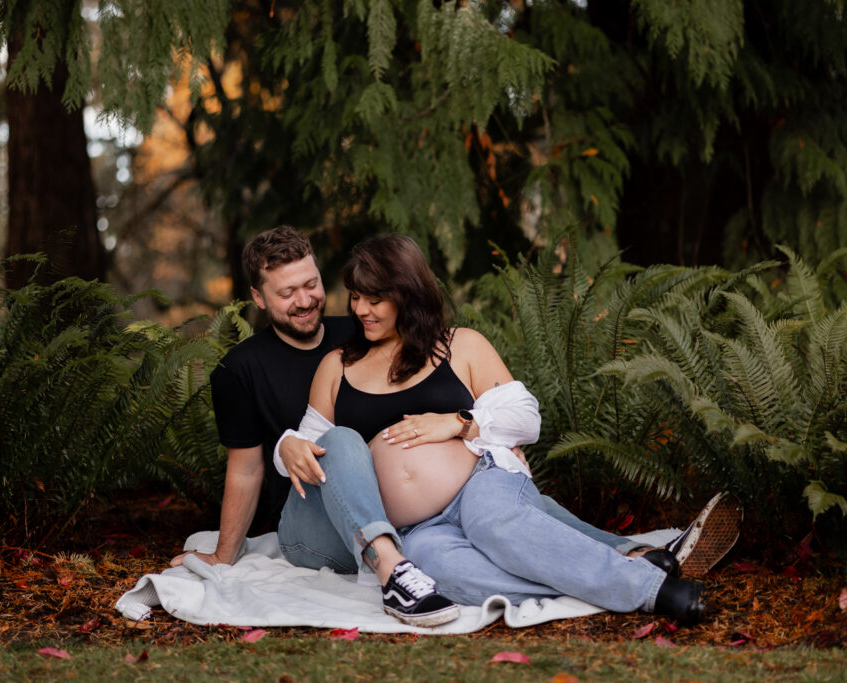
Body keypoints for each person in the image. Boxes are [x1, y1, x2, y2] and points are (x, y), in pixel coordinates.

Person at [280, 234, 719, 623]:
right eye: (355, 297)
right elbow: (312, 449)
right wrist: (287, 448)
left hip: (479, 482)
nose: (360, 310)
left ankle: (652, 591)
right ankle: (604, 579)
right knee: (439, 567)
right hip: (411, 532)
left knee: (495, 524)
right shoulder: (337, 366)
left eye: (374, 299)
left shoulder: (459, 345)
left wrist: (457, 422)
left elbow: (526, 418)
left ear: (407, 294)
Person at [170, 226, 458, 627]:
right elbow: (247, 469)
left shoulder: (363, 330)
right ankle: (394, 575)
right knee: (339, 440)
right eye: (287, 293)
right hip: (311, 520)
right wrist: (223, 554)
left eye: (311, 284)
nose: (304, 301)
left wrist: (473, 428)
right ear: (257, 296)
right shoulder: (239, 369)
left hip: (400, 502)